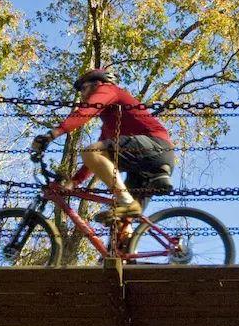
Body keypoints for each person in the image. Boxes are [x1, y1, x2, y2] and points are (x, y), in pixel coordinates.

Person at [30, 68, 176, 221]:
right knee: (121, 225)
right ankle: (131, 231)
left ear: (97, 84)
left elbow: (85, 113)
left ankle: (126, 203)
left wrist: (52, 134)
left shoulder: (108, 89)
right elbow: (94, 160)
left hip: (156, 146)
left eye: (83, 89)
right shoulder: (109, 124)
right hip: (151, 162)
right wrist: (75, 181)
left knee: (91, 152)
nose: (81, 95)